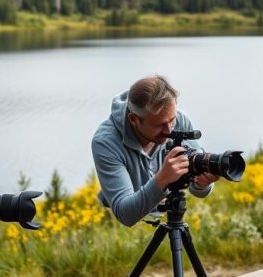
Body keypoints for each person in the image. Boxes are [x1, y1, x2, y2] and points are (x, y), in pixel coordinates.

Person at [91, 75, 218, 227]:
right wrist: (162, 178)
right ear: (134, 120)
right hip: (122, 226)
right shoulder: (106, 142)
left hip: (168, 215)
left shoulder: (180, 119)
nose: (169, 129)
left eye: (172, 120)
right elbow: (125, 215)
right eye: (160, 125)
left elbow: (197, 190)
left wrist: (202, 183)